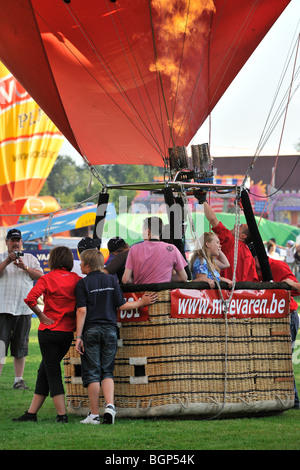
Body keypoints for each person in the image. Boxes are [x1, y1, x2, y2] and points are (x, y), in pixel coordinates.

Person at [75, 249, 158, 425]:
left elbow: (82, 311)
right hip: (111, 330)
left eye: (81, 263)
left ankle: (94, 415)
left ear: (88, 266)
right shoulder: (112, 280)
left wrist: (79, 336)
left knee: (92, 373)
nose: (80, 265)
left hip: (91, 330)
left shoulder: (83, 284)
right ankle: (110, 406)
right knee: (107, 371)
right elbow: (121, 306)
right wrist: (141, 303)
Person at [13, 246, 81, 423]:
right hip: (67, 334)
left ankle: (61, 415)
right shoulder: (76, 279)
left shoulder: (47, 278)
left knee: (51, 372)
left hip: (49, 332)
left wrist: (42, 315)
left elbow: (30, 299)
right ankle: (31, 413)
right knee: (44, 370)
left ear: (53, 260)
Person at [252, 246, 300, 409]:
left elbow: (297, 288)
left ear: (257, 258)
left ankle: (294, 400)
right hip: (268, 318)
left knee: (284, 358)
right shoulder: (252, 270)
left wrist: (287, 284)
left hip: (287, 317)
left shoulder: (278, 266)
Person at [0, 228, 43, 389]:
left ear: (22, 242)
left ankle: (18, 380)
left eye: (18, 240)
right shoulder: (1, 258)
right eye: (12, 240)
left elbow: (42, 277)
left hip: (24, 309)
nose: (15, 243)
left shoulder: (30, 258)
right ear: (7, 243)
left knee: (21, 348)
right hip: (3, 308)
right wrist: (7, 262)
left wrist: (25, 267)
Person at [122, 216, 188, 285]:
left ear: (148, 231)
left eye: (143, 230)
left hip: (141, 294)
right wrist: (166, 278)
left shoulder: (134, 249)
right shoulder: (172, 249)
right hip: (164, 294)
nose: (142, 233)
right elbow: (183, 277)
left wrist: (137, 281)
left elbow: (125, 279)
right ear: (161, 230)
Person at [203, 201, 258, 282]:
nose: (235, 225)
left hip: (224, 290)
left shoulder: (230, 242)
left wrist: (203, 201)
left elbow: (213, 219)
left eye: (240, 226)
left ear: (242, 236)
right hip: (241, 293)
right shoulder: (250, 257)